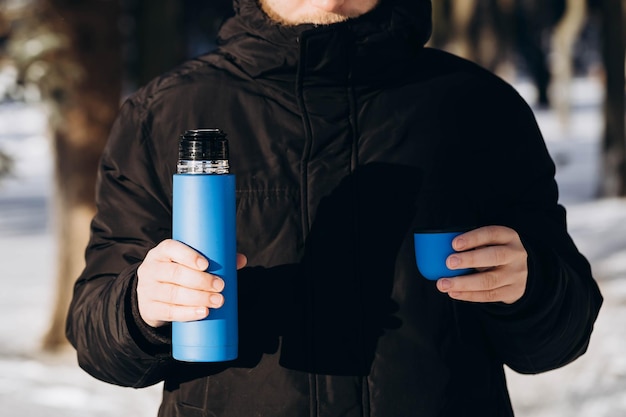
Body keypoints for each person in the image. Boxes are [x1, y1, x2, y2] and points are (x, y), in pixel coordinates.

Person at [65, 0, 603, 416]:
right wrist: (139, 305)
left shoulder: (477, 107)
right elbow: (97, 339)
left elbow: (563, 334)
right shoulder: (164, 113)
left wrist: (531, 286)